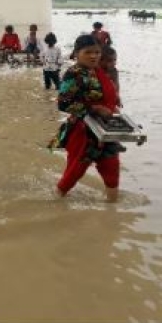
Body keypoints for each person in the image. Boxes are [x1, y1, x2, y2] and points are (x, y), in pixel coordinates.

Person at [49, 34, 121, 203]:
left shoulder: (97, 71)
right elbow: (63, 104)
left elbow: (106, 94)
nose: (94, 56)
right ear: (76, 53)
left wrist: (112, 104)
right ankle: (55, 201)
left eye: (96, 52)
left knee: (112, 167)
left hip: (104, 129)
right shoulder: (73, 73)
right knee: (75, 171)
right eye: (88, 52)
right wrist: (94, 108)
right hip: (83, 132)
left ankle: (113, 209)